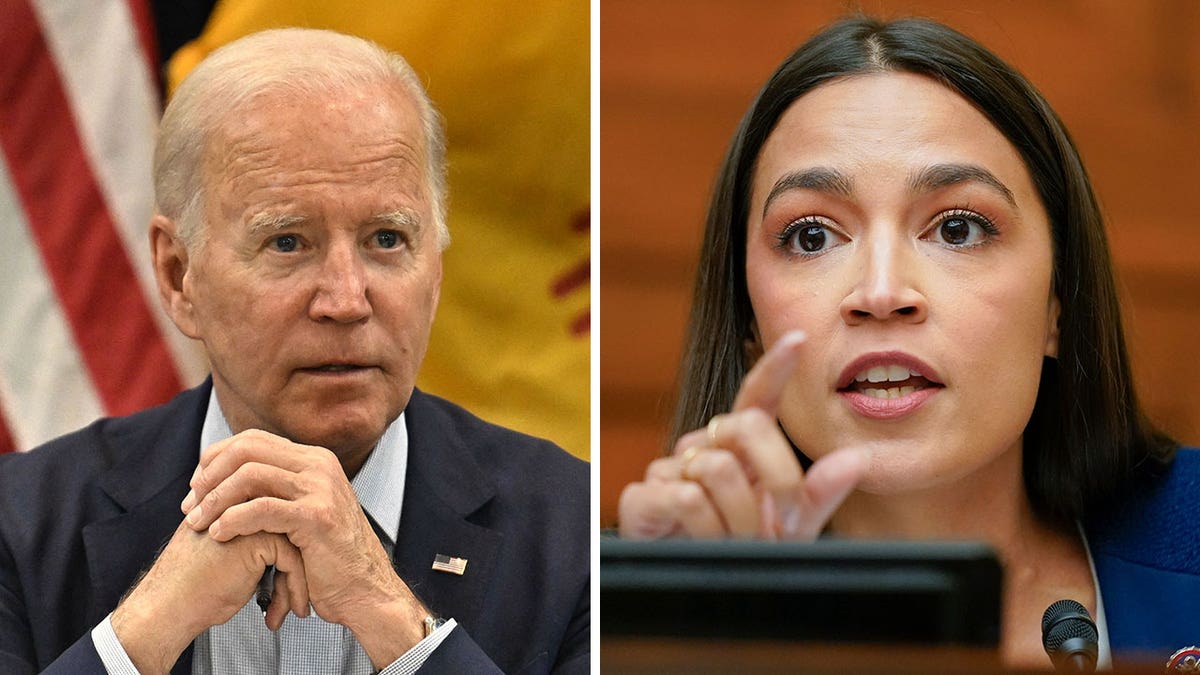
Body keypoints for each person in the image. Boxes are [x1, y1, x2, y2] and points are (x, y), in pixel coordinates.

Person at [616, 15, 1199, 669]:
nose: (882, 291)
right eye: (812, 236)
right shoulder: (614, 619)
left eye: (957, 229)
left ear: (1057, 305)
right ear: (749, 327)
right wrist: (666, 628)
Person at [0, 28, 588, 674]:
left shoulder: (575, 537)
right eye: (288, 242)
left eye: (387, 238)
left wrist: (391, 614)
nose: (345, 299)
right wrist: (144, 631)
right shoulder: (21, 525)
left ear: (436, 270)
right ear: (178, 275)